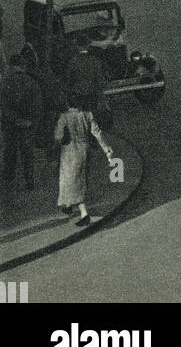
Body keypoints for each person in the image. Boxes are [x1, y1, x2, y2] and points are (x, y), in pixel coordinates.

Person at [54, 100, 114, 228]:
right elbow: (97, 133)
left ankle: (83, 214)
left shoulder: (64, 117)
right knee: (79, 179)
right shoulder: (87, 115)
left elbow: (58, 136)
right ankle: (67, 205)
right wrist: (106, 148)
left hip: (69, 151)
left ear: (68, 104)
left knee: (68, 179)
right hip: (84, 150)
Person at [1, 53, 42, 195]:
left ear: (11, 66)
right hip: (28, 123)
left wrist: (14, 119)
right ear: (23, 66)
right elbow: (38, 106)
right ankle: (29, 180)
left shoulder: (4, 83)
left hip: (10, 124)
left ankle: (9, 179)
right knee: (27, 152)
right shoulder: (31, 82)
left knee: (10, 151)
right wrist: (31, 122)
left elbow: (3, 106)